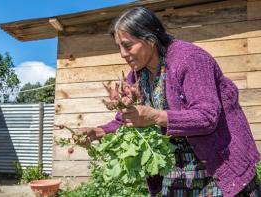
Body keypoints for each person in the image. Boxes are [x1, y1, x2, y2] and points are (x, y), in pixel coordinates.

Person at [75, 7, 261, 197]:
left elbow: (207, 117)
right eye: (119, 47)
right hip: (175, 174)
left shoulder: (189, 59)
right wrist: (98, 132)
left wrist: (155, 116)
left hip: (217, 168)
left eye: (128, 45)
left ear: (151, 39)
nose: (122, 54)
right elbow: (127, 119)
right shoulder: (136, 76)